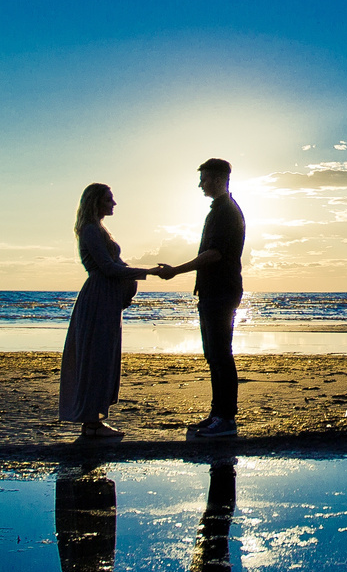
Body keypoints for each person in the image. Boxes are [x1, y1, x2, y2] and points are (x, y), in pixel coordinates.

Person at [149, 157, 245, 436]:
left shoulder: (226, 212)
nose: (200, 185)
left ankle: (226, 418)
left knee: (220, 354)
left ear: (217, 179)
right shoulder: (220, 210)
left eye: (203, 179)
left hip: (221, 291)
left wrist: (176, 271)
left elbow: (214, 254)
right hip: (214, 290)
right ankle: (218, 414)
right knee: (214, 354)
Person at [59, 182, 149, 439]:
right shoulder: (90, 230)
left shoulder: (100, 230)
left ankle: (95, 419)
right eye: (109, 199)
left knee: (105, 357)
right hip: (99, 297)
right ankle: (91, 422)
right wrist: (148, 272)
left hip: (108, 298)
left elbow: (118, 264)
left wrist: (131, 281)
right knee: (95, 357)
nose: (114, 203)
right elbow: (108, 268)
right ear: (96, 201)